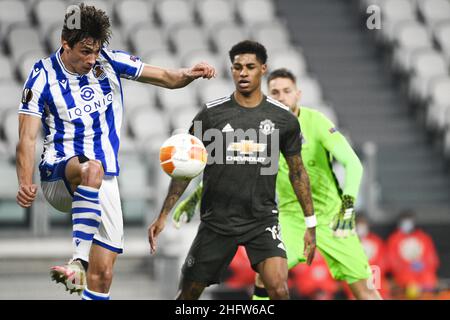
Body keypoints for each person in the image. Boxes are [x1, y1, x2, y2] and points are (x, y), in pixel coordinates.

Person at [15, 3, 215, 300]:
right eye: (85, 51)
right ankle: (78, 260)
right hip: (59, 174)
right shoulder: (42, 75)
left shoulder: (108, 62)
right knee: (91, 169)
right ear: (64, 43)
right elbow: (26, 136)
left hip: (102, 179)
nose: (92, 58)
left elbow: (167, 78)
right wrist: (24, 180)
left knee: (104, 274)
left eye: (96, 50)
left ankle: (84, 274)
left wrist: (190, 73)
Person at [174, 68, 382, 300]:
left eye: (287, 91)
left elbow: (353, 164)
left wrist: (348, 204)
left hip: (332, 217)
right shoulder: (262, 129)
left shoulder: (317, 122)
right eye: (275, 92)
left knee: (364, 289)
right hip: (290, 218)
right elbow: (234, 170)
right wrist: (195, 197)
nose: (282, 96)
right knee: (266, 275)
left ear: (298, 94)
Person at [148, 41, 316, 300]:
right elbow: (185, 168)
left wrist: (310, 223)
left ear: (263, 69)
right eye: (237, 67)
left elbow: (298, 172)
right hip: (217, 222)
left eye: (250, 67)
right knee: (188, 295)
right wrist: (163, 215)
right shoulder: (211, 115)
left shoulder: (284, 119)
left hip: (262, 220)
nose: (243, 73)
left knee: (279, 289)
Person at [387, 210, 440, 298]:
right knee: (410, 287)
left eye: (409, 220)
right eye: (404, 221)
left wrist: (422, 266)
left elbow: (432, 259)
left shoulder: (423, 237)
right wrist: (407, 266)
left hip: (424, 273)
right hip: (404, 275)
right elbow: (392, 262)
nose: (407, 224)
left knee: (429, 282)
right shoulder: (394, 239)